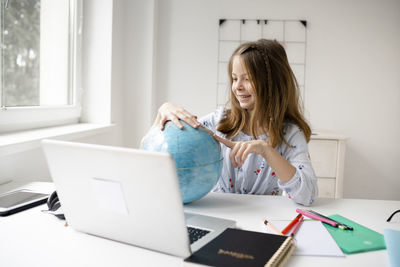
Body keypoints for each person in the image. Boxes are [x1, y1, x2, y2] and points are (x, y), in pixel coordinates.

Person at [153, 39, 318, 206]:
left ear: (272, 84)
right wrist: (165, 111)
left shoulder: (290, 134)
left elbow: (308, 195)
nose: (237, 87)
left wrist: (266, 150)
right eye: (234, 78)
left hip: (260, 219)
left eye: (247, 79)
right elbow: (164, 151)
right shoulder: (217, 122)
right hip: (217, 213)